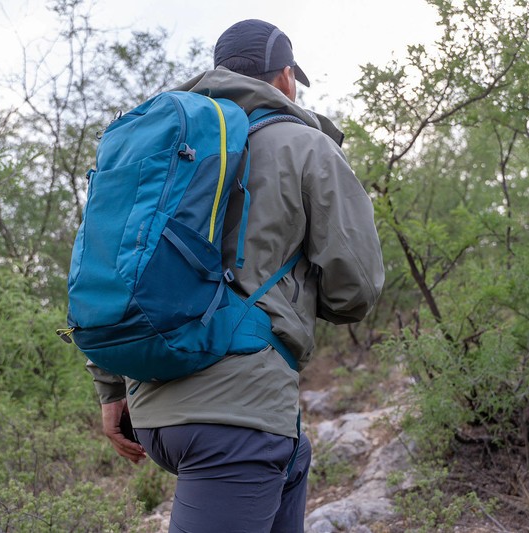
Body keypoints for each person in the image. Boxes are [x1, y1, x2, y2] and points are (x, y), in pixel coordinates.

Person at [87, 19, 384, 532]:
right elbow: (355, 288)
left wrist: (111, 390)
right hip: (235, 420)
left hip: (153, 405)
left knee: (292, 454)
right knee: (264, 447)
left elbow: (112, 266)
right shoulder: (305, 145)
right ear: (286, 77)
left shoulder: (162, 146)